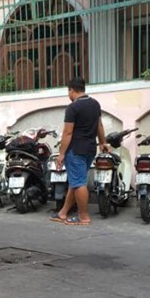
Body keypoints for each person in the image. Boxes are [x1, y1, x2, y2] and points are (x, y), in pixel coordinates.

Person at [52, 77, 107, 226]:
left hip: (75, 149)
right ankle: (63, 213)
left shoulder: (73, 108)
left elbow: (67, 133)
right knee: (76, 181)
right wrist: (102, 142)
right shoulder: (95, 104)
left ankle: (83, 216)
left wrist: (61, 154)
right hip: (90, 148)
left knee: (79, 183)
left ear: (71, 90)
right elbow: (99, 126)